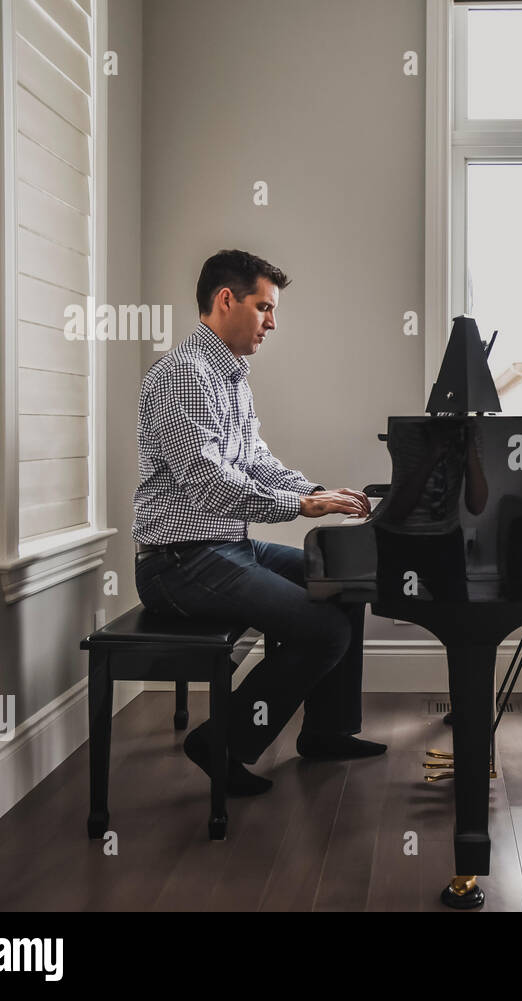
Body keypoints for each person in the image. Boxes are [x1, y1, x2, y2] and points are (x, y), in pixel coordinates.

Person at [132, 249, 384, 796]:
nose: (273, 323)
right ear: (227, 300)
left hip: (225, 547)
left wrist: (313, 491)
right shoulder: (182, 375)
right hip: (178, 561)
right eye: (264, 308)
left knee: (342, 582)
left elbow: (254, 461)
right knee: (324, 628)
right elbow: (208, 481)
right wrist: (298, 508)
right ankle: (219, 744)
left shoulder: (232, 377)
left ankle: (325, 732)